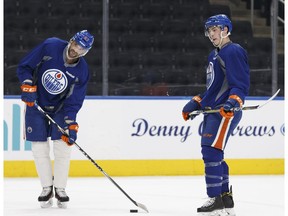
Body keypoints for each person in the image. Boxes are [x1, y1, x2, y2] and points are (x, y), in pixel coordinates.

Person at [17, 30, 94, 208]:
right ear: (71, 40)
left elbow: (74, 101)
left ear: (86, 52)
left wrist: (70, 123)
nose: (76, 50)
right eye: (76, 44)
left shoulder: (82, 71)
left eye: (82, 49)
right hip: (35, 102)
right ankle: (46, 188)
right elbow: (25, 67)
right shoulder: (50, 46)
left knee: (63, 147)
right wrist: (27, 85)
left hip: (60, 109)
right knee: (39, 147)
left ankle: (60, 188)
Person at [182, 14, 250, 216]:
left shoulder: (233, 51)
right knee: (215, 153)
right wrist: (196, 102)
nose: (211, 34)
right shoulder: (214, 55)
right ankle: (225, 199)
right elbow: (214, 88)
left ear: (226, 30)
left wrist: (233, 101)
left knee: (210, 151)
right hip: (214, 111)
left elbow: (240, 83)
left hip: (225, 112)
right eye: (209, 30)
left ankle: (215, 200)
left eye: (215, 29)